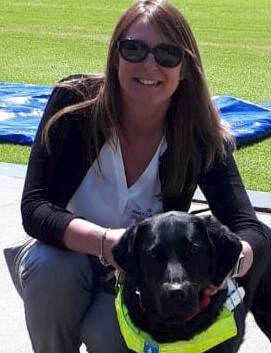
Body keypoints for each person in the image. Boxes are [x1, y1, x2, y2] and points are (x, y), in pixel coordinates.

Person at [11, 0, 271, 352]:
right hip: (67, 257)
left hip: (133, 278)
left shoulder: (199, 135)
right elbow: (35, 207)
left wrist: (228, 264)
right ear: (115, 55)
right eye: (134, 48)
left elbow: (250, 227)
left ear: (185, 68)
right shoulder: (74, 106)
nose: (150, 64)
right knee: (50, 268)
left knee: (112, 335)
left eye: (167, 54)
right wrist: (107, 243)